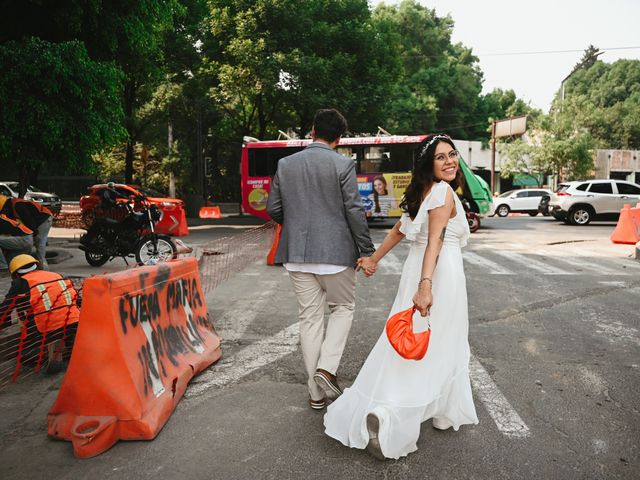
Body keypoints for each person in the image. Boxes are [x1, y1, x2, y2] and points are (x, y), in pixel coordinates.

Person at [324, 134, 479, 460]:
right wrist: (426, 285)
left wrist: (374, 259)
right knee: (438, 344)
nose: (450, 161)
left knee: (403, 341)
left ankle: (411, 406)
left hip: (416, 270)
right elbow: (435, 240)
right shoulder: (443, 193)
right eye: (441, 157)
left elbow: (399, 229)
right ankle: (392, 415)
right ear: (428, 164)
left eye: (453, 155)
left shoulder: (422, 192)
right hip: (438, 274)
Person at [266, 108, 375, 411]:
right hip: (337, 255)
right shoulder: (343, 165)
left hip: (297, 256)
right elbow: (354, 211)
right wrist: (365, 250)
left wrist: (297, 222)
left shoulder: (286, 164)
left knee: (309, 320)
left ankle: (315, 393)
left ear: (312, 130)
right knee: (343, 308)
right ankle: (326, 369)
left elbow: (273, 209)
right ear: (339, 138)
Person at [0, 254, 80, 373]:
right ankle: (68, 353)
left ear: (16, 274)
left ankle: (48, 359)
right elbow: (76, 299)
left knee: (25, 357)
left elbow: (6, 308)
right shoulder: (57, 275)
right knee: (73, 347)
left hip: (46, 326)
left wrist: (3, 324)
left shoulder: (21, 282)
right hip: (73, 321)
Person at [0, 194, 53, 269]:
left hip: (44, 219)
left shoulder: (18, 206)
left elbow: (31, 223)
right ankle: (34, 266)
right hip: (37, 221)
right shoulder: (12, 205)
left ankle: (44, 269)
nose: (4, 213)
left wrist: (32, 234)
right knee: (34, 243)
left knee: (40, 245)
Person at [0, 196, 34, 272]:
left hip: (24, 239)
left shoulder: (1, 219)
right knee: (13, 266)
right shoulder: (4, 218)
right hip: (26, 239)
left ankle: (2, 267)